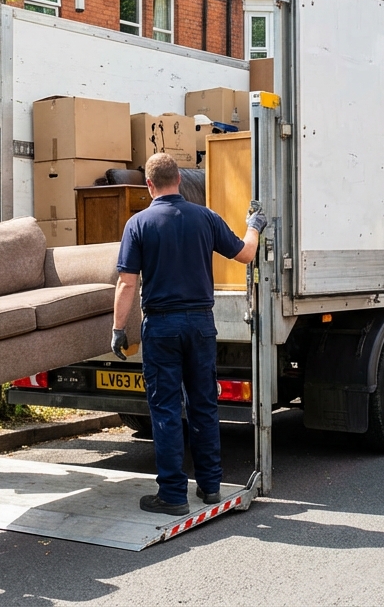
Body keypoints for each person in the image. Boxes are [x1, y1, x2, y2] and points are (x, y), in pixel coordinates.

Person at [111, 153, 266, 515]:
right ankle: (210, 487)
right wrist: (254, 225)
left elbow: (127, 283)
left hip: (161, 327)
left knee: (166, 409)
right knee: (203, 405)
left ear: (149, 184)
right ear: (179, 179)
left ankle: (173, 495)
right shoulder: (205, 217)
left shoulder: (138, 224)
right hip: (200, 325)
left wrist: (118, 329)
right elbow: (246, 254)